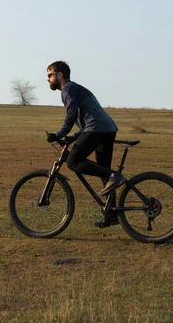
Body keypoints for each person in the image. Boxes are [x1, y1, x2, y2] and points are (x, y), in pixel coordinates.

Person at [45, 61, 125, 227]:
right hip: (107, 128)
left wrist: (59, 134)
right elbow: (85, 117)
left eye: (49, 75)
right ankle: (111, 216)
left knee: (73, 161)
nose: (48, 79)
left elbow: (72, 115)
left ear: (59, 75)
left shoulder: (67, 89)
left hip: (96, 129)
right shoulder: (75, 88)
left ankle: (113, 176)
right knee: (105, 173)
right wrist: (72, 137)